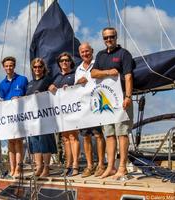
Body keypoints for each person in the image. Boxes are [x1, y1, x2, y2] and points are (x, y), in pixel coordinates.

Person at [91, 27, 134, 179]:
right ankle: (110, 167)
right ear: (103, 39)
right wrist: (109, 72)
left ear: (116, 37)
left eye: (111, 37)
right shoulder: (100, 55)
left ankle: (122, 166)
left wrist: (128, 96)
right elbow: (93, 73)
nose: (109, 40)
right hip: (106, 101)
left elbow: (128, 76)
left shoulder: (124, 54)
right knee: (109, 134)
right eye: (106, 38)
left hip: (121, 99)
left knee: (122, 133)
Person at [75, 42, 106, 178]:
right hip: (84, 108)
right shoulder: (78, 69)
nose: (85, 54)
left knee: (99, 135)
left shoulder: (98, 63)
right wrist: (77, 82)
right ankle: (89, 165)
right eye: (82, 52)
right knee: (86, 136)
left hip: (97, 105)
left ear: (92, 51)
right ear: (80, 54)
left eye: (87, 51)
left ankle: (101, 164)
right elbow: (75, 88)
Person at [48, 52, 80, 177]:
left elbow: (81, 86)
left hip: (73, 110)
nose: (64, 62)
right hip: (60, 112)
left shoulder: (75, 74)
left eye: (66, 60)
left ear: (70, 62)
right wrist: (50, 86)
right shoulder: (56, 77)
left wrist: (73, 86)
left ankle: (76, 165)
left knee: (73, 137)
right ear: (59, 63)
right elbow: (51, 89)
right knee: (65, 139)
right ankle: (68, 165)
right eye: (62, 61)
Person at [27, 58, 57, 177]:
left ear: (43, 68)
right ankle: (38, 167)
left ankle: (46, 168)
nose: (37, 69)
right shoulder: (30, 84)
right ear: (32, 69)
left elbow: (54, 89)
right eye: (35, 67)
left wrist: (51, 87)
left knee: (45, 142)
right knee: (35, 143)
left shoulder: (48, 80)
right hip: (32, 120)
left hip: (45, 117)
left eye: (40, 67)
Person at [0, 56, 28, 177]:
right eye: (6, 66)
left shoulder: (22, 79)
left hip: (20, 115)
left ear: (14, 66)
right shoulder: (2, 84)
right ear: (3, 67)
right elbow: (2, 100)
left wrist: (20, 98)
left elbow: (29, 96)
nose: (8, 68)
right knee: (10, 142)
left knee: (18, 141)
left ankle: (18, 167)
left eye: (11, 65)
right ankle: (12, 167)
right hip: (8, 117)